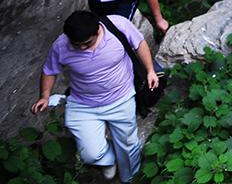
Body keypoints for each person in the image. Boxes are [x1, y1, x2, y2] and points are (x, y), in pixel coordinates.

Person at [31, 11, 158, 182]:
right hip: (83, 104)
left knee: (128, 145)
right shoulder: (61, 45)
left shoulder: (117, 26)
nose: (82, 48)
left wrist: (150, 70)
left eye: (86, 43)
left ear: (98, 29)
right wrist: (44, 96)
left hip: (121, 98)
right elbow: (49, 70)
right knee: (90, 154)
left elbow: (139, 43)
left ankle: (130, 178)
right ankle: (108, 161)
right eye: (77, 45)